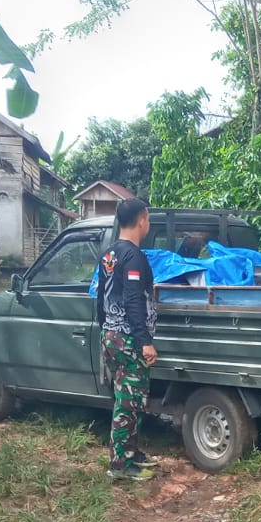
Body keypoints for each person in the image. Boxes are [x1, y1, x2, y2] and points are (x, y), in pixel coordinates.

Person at [98, 197, 160, 481]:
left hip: (112, 333)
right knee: (127, 400)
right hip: (128, 337)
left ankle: (131, 452)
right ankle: (120, 464)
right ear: (141, 221)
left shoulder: (110, 253)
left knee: (131, 397)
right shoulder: (133, 256)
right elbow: (134, 299)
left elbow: (102, 295)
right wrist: (144, 340)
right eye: (147, 218)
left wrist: (105, 327)